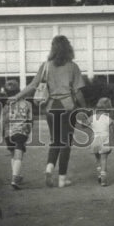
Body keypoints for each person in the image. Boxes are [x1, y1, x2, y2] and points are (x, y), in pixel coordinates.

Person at [11, 35, 87, 188]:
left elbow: (33, 86)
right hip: (67, 107)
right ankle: (62, 179)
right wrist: (84, 108)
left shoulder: (45, 66)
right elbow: (78, 92)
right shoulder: (73, 67)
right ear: (68, 48)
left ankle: (49, 167)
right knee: (66, 143)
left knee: (55, 141)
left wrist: (16, 96)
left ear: (53, 48)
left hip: (51, 108)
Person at [0, 79, 32, 190]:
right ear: (19, 91)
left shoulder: (6, 105)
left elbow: (1, 121)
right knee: (19, 153)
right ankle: (14, 178)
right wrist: (29, 131)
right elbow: (30, 119)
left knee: (13, 153)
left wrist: (2, 134)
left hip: (8, 133)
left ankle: (16, 175)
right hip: (21, 131)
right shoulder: (27, 103)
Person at [89, 96, 114, 187]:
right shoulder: (109, 120)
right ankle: (103, 179)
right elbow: (112, 132)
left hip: (95, 140)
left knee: (97, 158)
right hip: (105, 140)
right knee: (104, 159)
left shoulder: (92, 118)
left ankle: (99, 174)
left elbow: (84, 124)